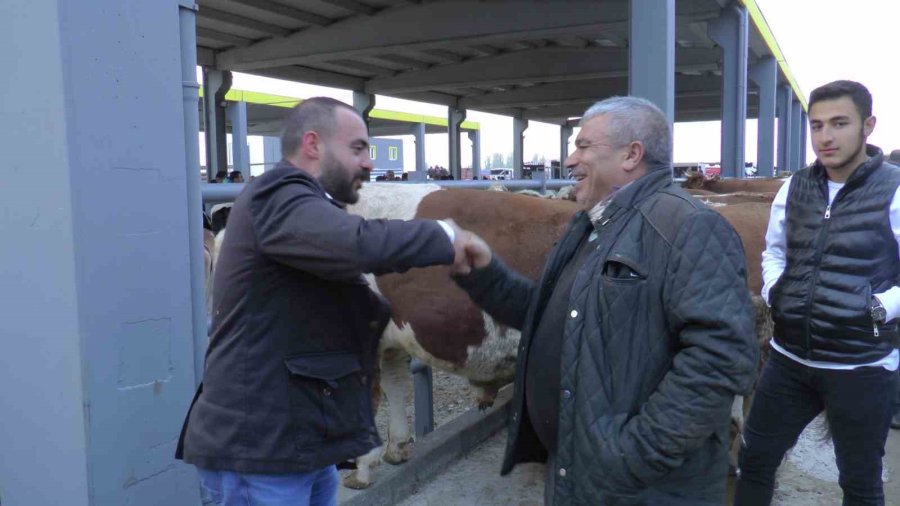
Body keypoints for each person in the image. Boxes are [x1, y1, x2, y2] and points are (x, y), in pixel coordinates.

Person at [451, 96, 758, 505]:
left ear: (632, 154)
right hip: (581, 469)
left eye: (583, 146)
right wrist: (484, 273)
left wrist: (630, 456)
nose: (569, 158)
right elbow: (548, 316)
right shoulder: (592, 226)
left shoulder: (687, 226)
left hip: (639, 487)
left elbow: (720, 360)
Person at [176, 97, 469, 506]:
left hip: (297, 440)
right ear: (313, 144)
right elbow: (355, 242)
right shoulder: (277, 197)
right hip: (259, 447)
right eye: (357, 148)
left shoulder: (308, 207)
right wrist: (448, 235)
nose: (368, 162)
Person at [735, 80, 900, 506]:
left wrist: (880, 308)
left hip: (861, 366)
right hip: (789, 361)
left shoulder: (894, 190)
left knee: (860, 482)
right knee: (754, 460)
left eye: (840, 123)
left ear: (868, 126)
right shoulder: (795, 188)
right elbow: (774, 251)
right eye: (817, 125)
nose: (825, 137)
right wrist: (777, 290)